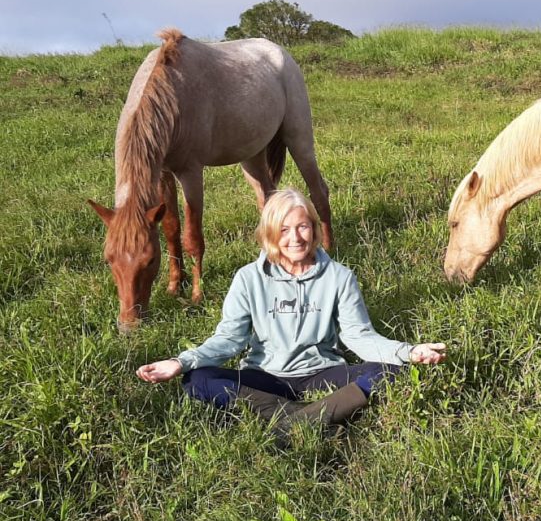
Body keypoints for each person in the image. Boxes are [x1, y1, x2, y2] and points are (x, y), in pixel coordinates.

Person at [136, 187, 446, 444]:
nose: (295, 238)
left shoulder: (339, 277)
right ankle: (312, 419)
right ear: (270, 233)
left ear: (313, 229)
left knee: (394, 373)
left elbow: (358, 337)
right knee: (198, 379)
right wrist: (180, 361)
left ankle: (287, 424)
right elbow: (229, 340)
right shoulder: (248, 279)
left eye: (302, 226)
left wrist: (409, 352)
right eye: (284, 229)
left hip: (321, 374)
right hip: (265, 377)